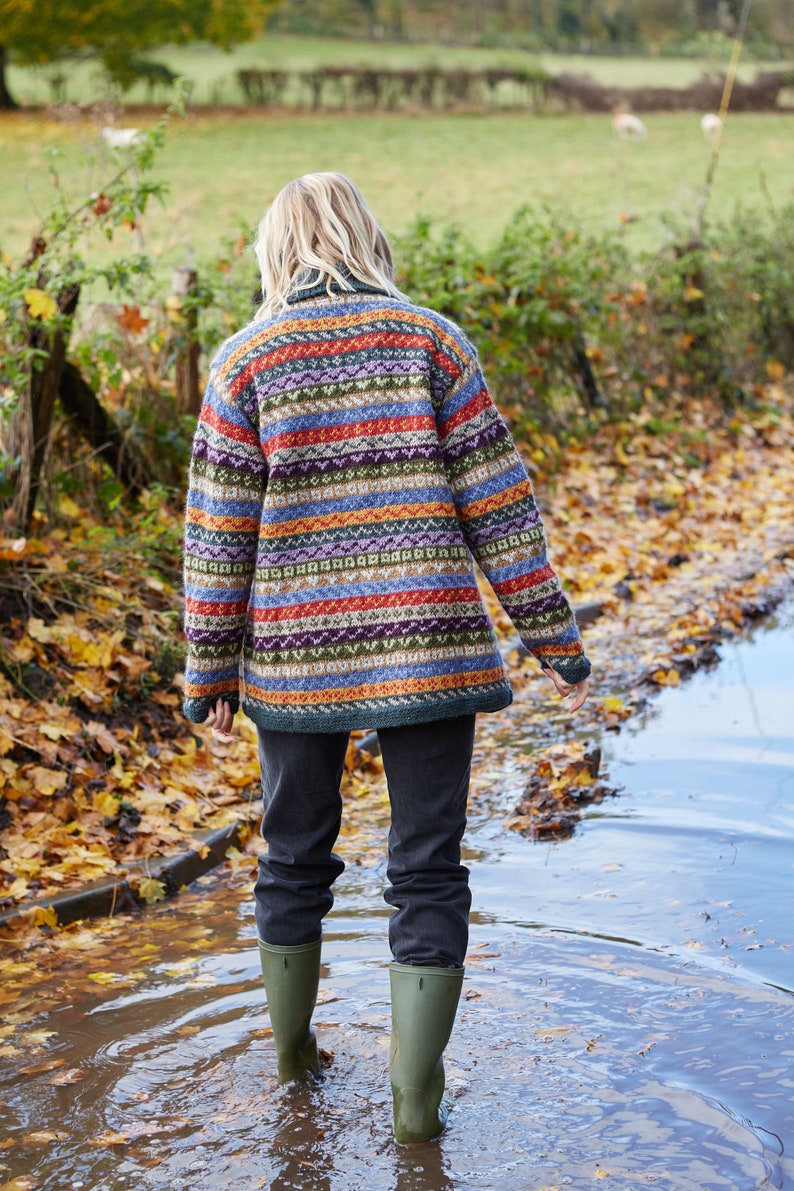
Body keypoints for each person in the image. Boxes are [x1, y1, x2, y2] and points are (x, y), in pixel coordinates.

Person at [182, 172, 591, 1145]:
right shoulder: (432, 342)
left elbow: (217, 533)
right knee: (426, 869)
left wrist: (206, 671)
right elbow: (500, 504)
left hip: (293, 660)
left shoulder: (244, 362)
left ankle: (291, 1064)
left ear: (276, 249)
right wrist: (550, 637)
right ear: (368, 237)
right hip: (429, 646)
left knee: (290, 858)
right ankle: (415, 1104)